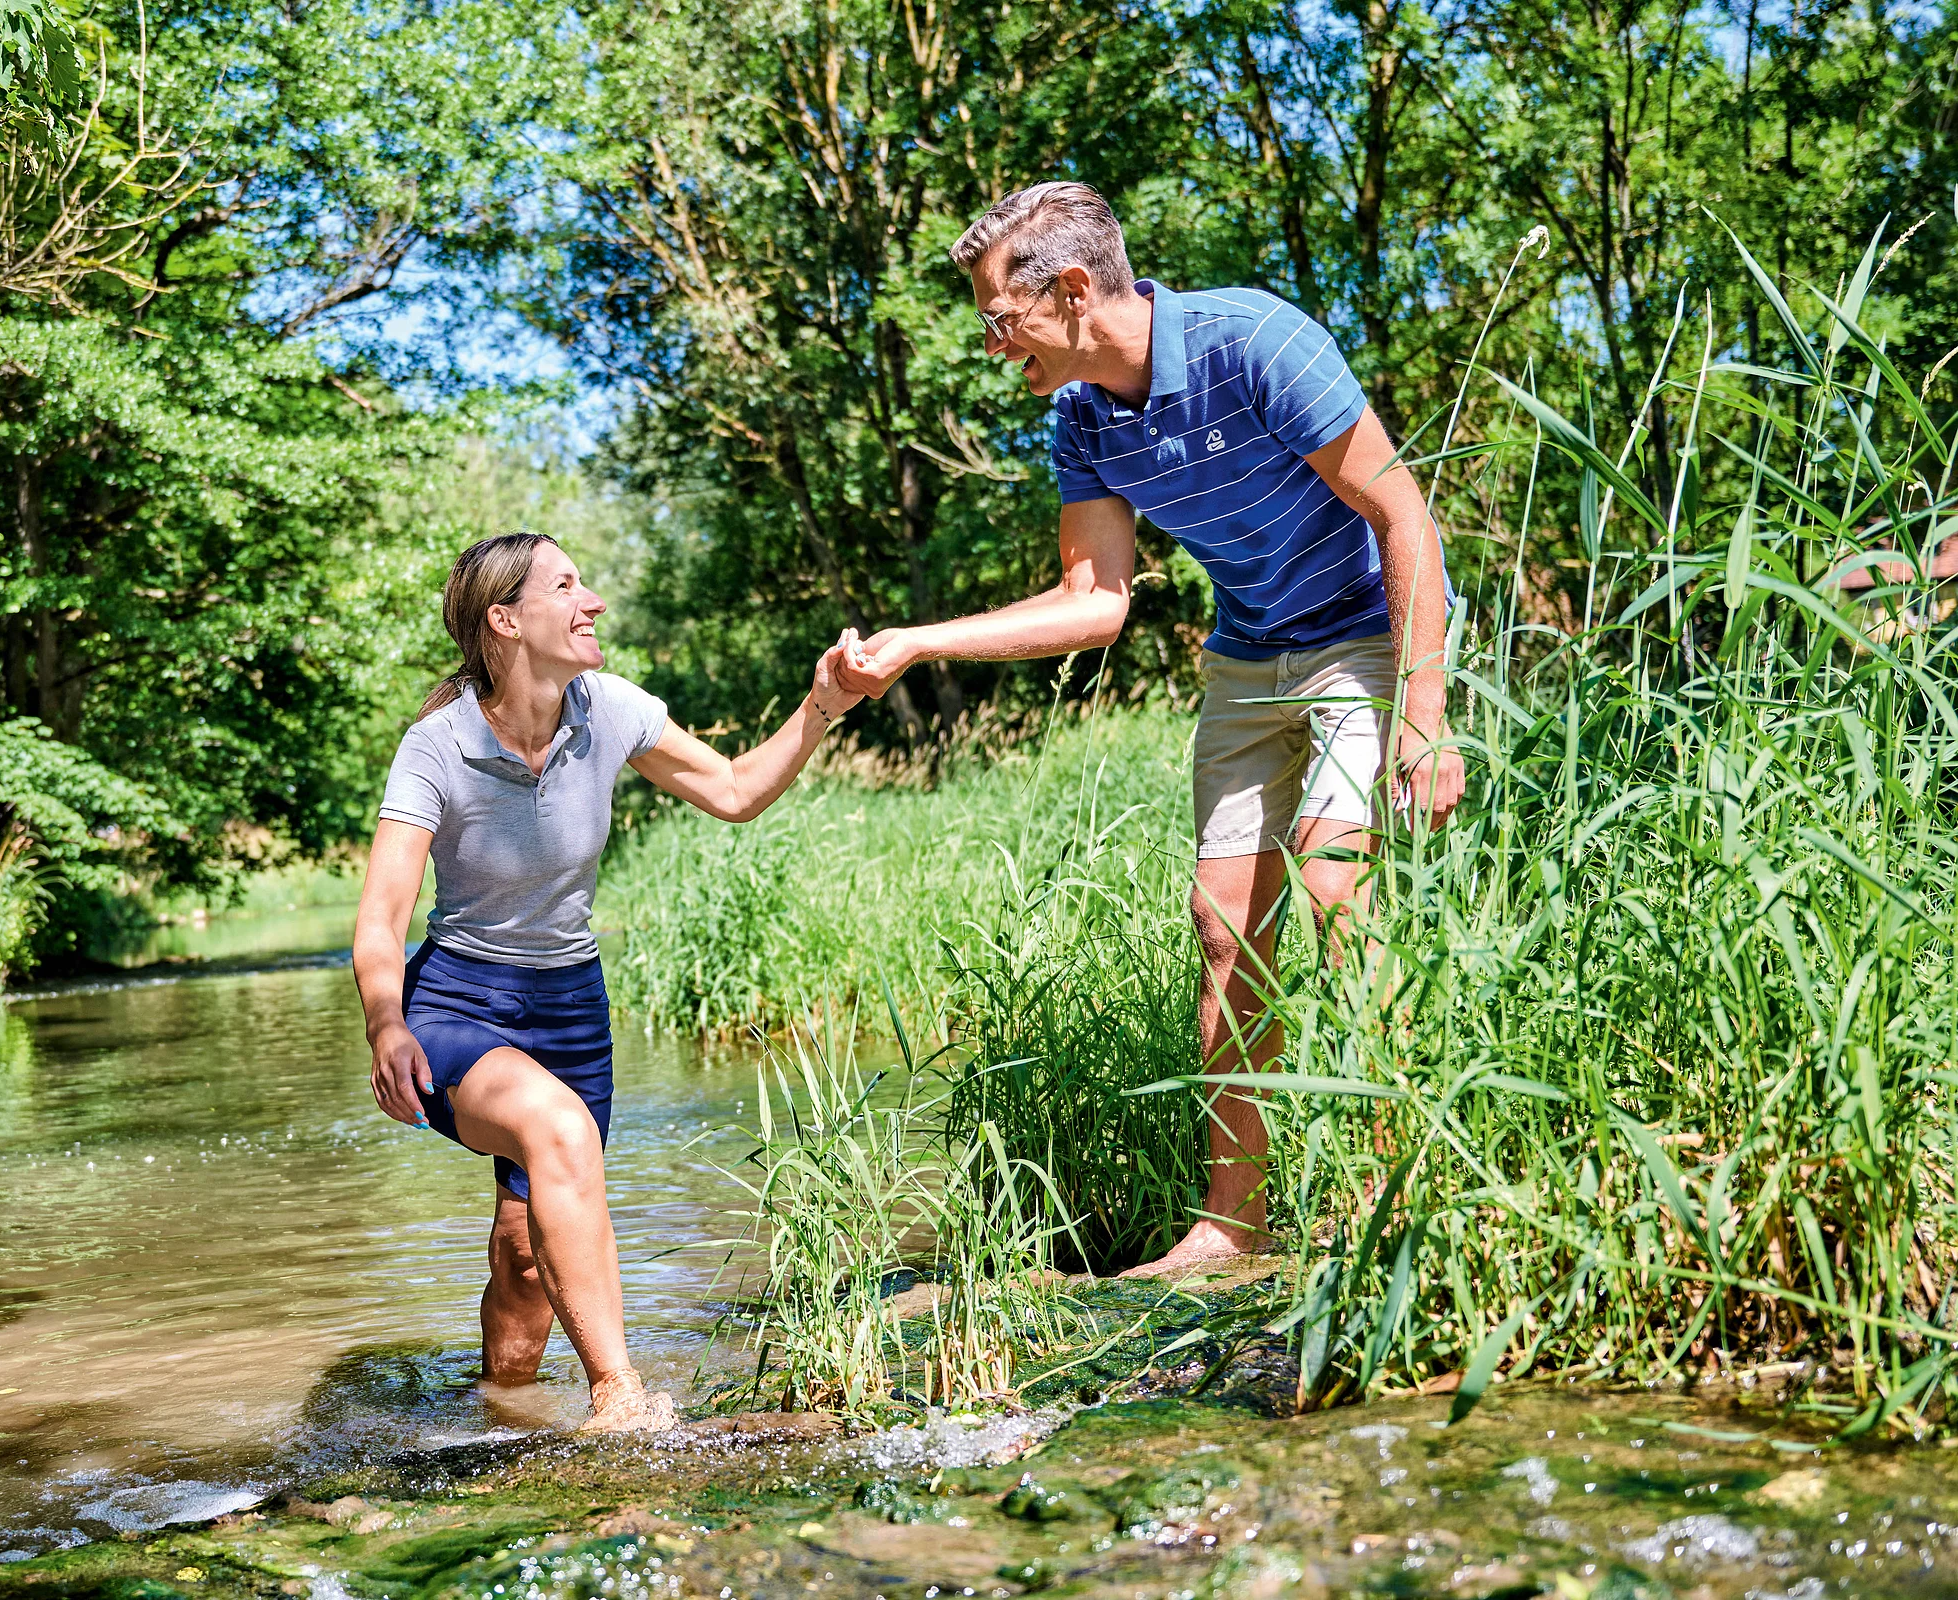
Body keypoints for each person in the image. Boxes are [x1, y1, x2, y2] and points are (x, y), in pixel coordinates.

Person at [832, 181, 1466, 1276]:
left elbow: (1402, 511)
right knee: (1222, 923)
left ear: (1073, 291)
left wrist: (1423, 717)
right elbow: (1096, 599)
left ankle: (1386, 1193)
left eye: (998, 318)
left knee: (1334, 888)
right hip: (1248, 653)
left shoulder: (1255, 341)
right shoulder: (1082, 416)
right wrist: (920, 639)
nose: (992, 348)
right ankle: (1234, 1223)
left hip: (1364, 632)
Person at [349, 531, 864, 1432]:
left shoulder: (610, 708)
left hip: (570, 1009)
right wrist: (387, 1025)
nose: (592, 603)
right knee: (555, 1134)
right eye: (567, 585)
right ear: (505, 621)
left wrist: (822, 706)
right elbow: (380, 920)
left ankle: (502, 1419)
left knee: (523, 1254)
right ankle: (619, 1395)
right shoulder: (436, 747)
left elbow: (738, 791)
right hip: (458, 1004)